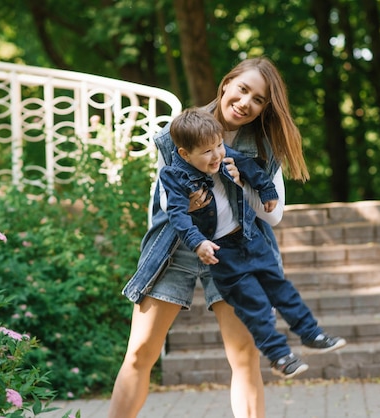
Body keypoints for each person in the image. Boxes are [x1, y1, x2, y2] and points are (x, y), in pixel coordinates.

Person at [109, 56, 313, 418]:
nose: (246, 102)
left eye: (259, 99)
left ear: (265, 107)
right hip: (177, 247)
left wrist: (243, 184)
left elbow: (275, 213)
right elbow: (159, 199)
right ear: (226, 84)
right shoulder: (180, 131)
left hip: (238, 250)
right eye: (243, 89)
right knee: (140, 353)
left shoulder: (264, 146)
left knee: (245, 357)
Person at [160, 108, 346, 379]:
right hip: (224, 254)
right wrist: (197, 242)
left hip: (251, 239)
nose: (217, 155)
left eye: (219, 146)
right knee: (255, 305)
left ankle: (311, 333)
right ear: (184, 154)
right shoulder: (174, 176)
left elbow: (251, 167)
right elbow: (176, 214)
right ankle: (280, 356)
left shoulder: (223, 154)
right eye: (207, 152)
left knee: (282, 290)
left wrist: (267, 190)